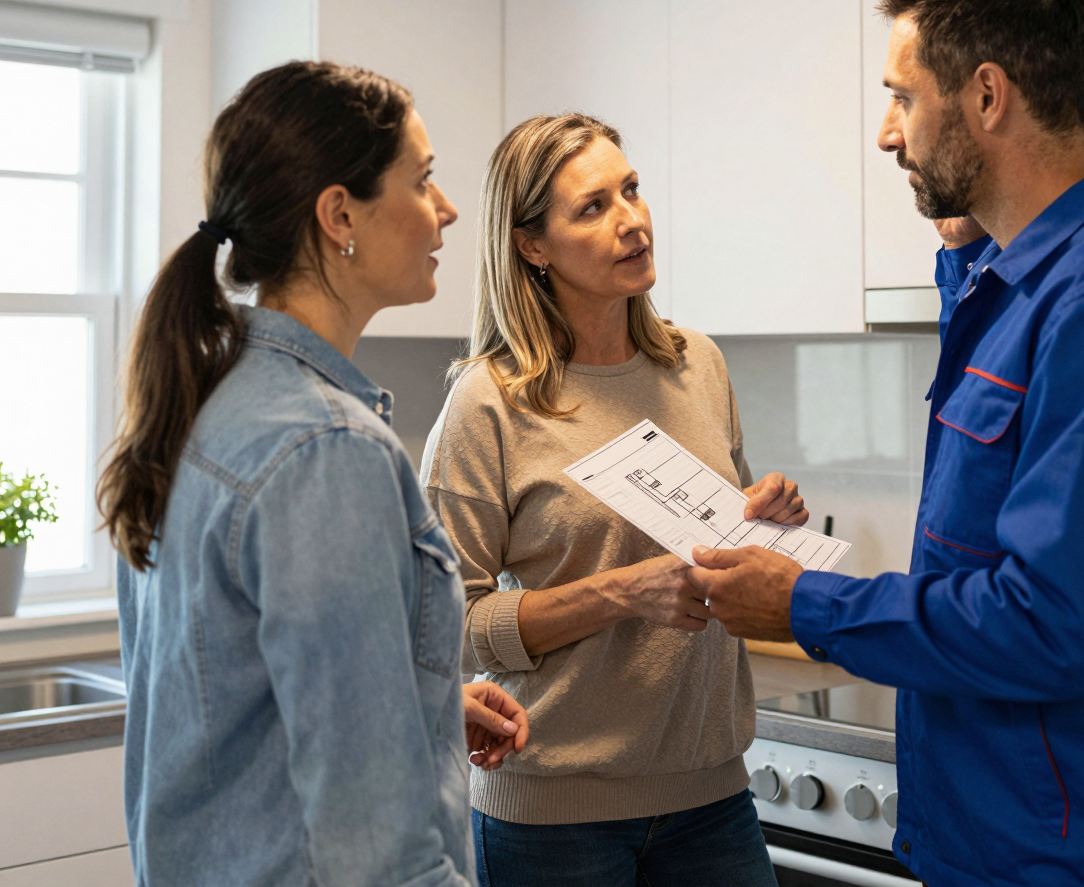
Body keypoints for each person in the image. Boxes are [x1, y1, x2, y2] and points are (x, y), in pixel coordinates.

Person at [691, 0, 1084, 887]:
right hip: (1001, 840)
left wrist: (804, 602)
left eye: (904, 98)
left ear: (988, 97)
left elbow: (1055, 623)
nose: (888, 135)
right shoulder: (1027, 284)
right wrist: (973, 235)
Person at [101, 61, 527, 887]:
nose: (446, 209)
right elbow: (376, 859)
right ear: (340, 215)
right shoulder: (328, 449)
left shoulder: (201, 402)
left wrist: (422, 704)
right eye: (424, 178)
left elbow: (229, 698)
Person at [422, 113, 801, 887]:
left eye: (631, 190)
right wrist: (624, 593)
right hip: (552, 819)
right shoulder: (487, 402)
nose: (632, 221)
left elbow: (724, 552)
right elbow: (444, 627)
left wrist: (768, 518)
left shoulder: (699, 365)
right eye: (593, 207)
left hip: (713, 796)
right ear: (532, 244)